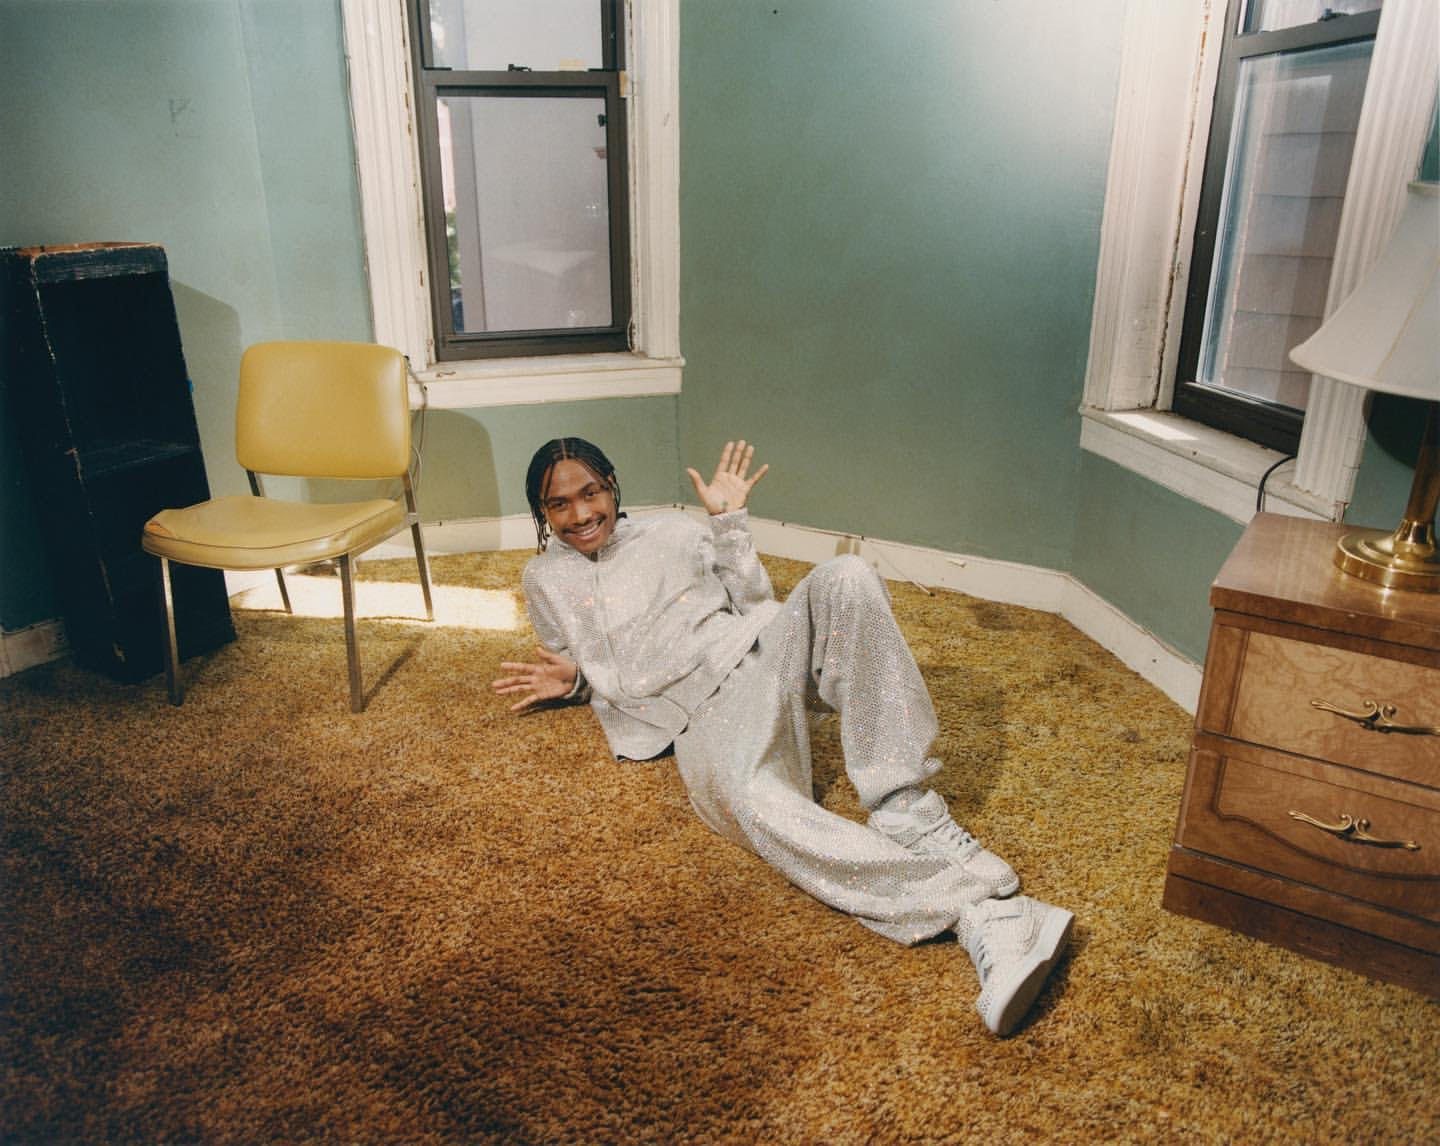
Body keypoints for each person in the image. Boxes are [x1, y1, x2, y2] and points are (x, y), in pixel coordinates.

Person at [492, 436, 1073, 1036]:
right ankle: (983, 914)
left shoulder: (675, 531)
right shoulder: (543, 579)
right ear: (542, 512)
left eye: (591, 493)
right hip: (701, 712)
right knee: (754, 807)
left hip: (758, 650)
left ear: (612, 485)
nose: (581, 514)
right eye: (559, 504)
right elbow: (582, 665)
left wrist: (728, 525)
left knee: (846, 575)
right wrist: (577, 683)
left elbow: (754, 602)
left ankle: (906, 806)